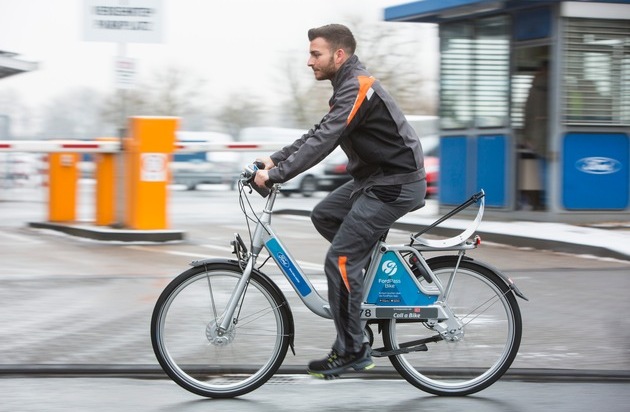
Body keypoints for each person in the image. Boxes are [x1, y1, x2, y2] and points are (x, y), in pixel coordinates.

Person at [254, 24, 426, 378]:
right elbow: (319, 131)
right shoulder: (346, 88)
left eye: (315, 54)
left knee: (341, 260)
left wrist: (277, 176)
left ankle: (353, 350)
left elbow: (326, 140)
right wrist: (275, 159)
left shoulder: (358, 86)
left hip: (396, 183)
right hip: (374, 180)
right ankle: (358, 300)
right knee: (325, 215)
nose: (309, 61)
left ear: (338, 55)